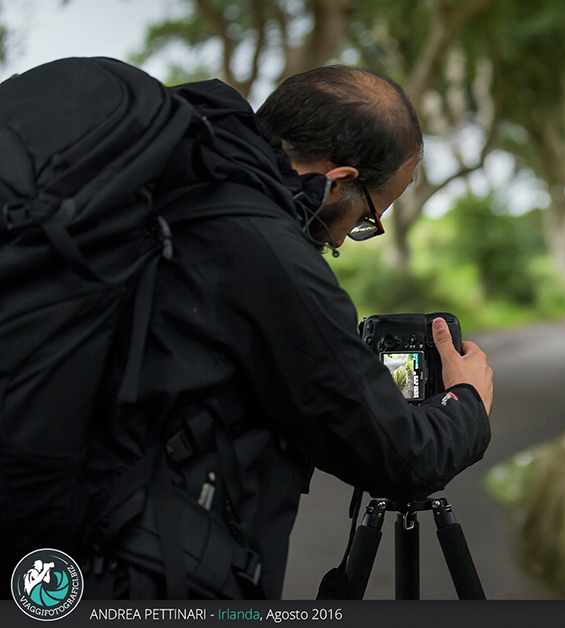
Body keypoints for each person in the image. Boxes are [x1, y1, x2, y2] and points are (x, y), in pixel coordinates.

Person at [81, 65, 493, 600]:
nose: (347, 238)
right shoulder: (267, 253)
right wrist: (466, 403)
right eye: (368, 217)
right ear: (340, 178)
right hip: (152, 575)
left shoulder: (169, 192)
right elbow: (400, 456)